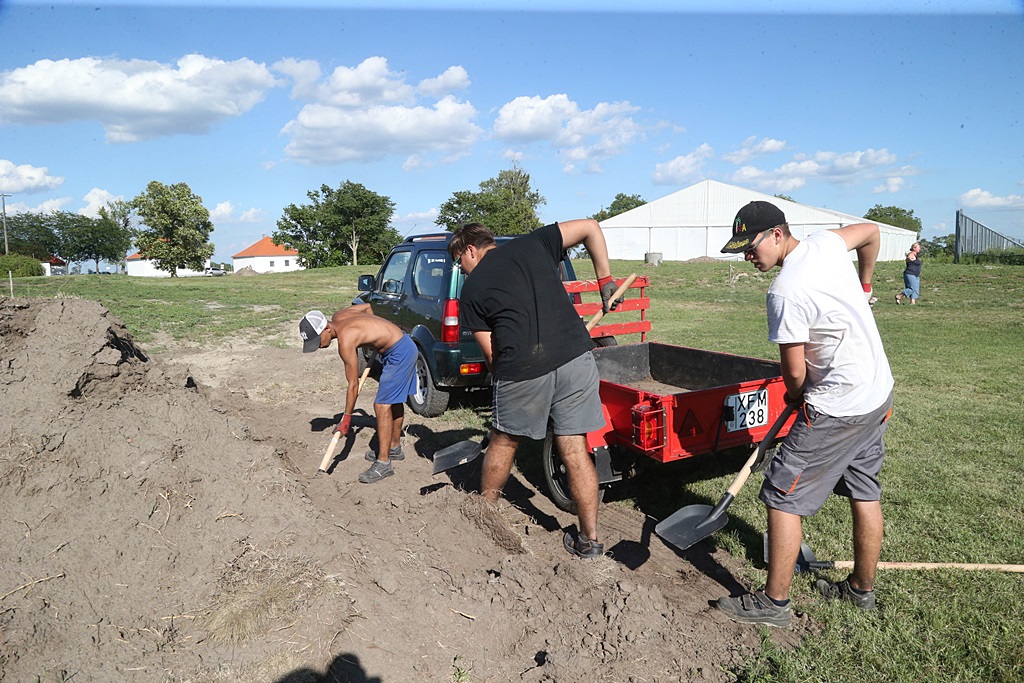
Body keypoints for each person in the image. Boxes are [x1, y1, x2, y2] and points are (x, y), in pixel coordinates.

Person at [714, 201, 895, 627]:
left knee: (781, 492)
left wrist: (796, 396)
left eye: (751, 245)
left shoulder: (784, 290)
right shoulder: (826, 244)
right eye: (740, 248)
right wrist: (865, 283)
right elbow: (870, 231)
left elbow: (794, 373)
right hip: (876, 392)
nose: (747, 255)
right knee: (864, 488)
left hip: (838, 405)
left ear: (777, 234)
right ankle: (860, 591)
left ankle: (773, 603)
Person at [448, 220, 623, 559]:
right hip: (577, 359)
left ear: (470, 249)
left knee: (503, 440)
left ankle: (487, 513)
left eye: (460, 262)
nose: (462, 270)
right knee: (574, 448)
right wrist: (605, 280)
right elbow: (590, 226)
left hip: (523, 369)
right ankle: (590, 540)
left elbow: (491, 355)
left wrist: (503, 390)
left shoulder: (471, 291)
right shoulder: (535, 242)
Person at [299, 304, 418, 484]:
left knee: (381, 405)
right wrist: (376, 337)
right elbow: (368, 307)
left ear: (326, 328)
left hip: (400, 352)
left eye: (317, 341)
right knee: (392, 400)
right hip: (401, 344)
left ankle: (384, 464)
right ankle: (394, 447)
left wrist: (347, 419)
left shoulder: (346, 341)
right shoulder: (340, 315)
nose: (319, 347)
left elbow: (353, 385)